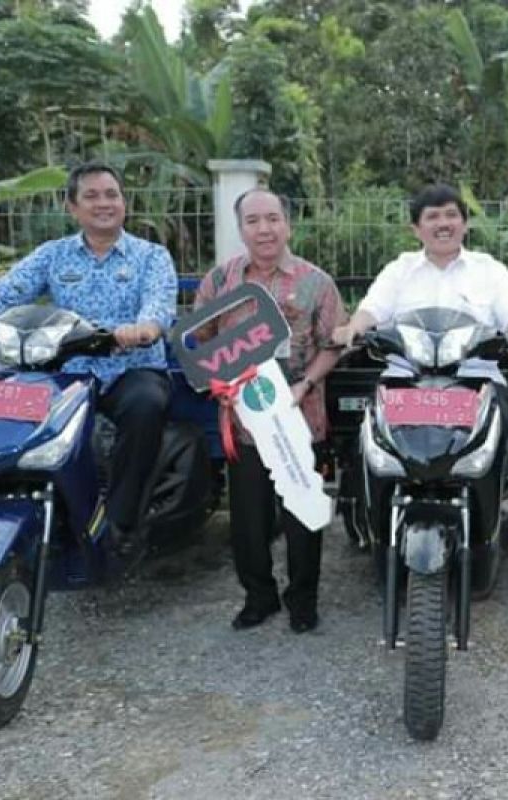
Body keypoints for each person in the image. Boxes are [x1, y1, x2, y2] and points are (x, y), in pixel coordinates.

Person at [0, 162, 178, 557]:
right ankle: (32, 506)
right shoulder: (53, 255)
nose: (104, 204)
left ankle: (120, 523)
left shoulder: (151, 256)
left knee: (146, 405)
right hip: (67, 373)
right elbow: (10, 290)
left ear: (124, 203)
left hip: (129, 368)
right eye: (92, 196)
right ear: (72, 207)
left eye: (111, 195)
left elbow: (158, 300)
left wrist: (145, 327)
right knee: (9, 415)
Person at [193, 188, 346, 633]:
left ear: (288, 224)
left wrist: (305, 384)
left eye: (273, 219)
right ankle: (258, 598)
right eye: (254, 220)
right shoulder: (221, 282)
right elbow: (201, 338)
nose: (264, 229)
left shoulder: (315, 281)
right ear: (240, 228)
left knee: (302, 513)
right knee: (248, 518)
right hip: (243, 422)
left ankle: (303, 601)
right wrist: (224, 383)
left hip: (300, 416)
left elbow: (333, 343)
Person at [331, 184, 508, 357]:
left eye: (451, 215)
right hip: (407, 377)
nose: (443, 224)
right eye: (432, 217)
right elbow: (372, 309)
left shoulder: (490, 270)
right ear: (416, 230)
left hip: (476, 375)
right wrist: (354, 328)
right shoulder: (399, 270)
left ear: (465, 224)